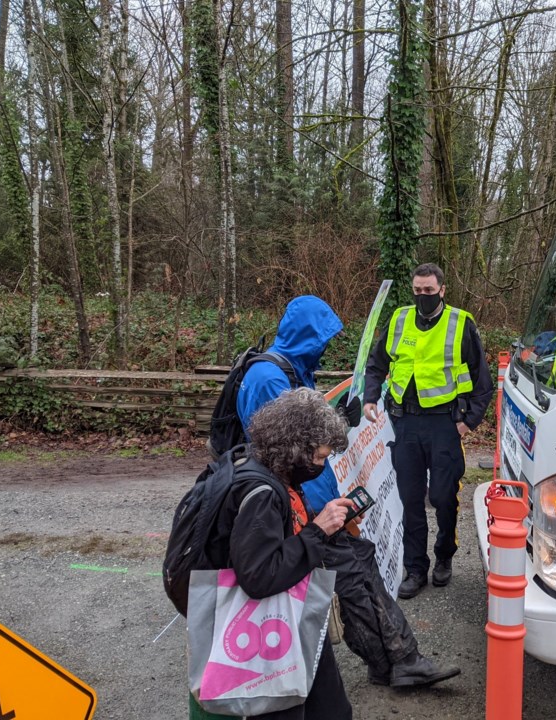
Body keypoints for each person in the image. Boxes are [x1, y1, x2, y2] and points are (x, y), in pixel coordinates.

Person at [237, 294, 460, 687]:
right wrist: (320, 509)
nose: (324, 349)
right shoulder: (270, 377)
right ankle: (396, 661)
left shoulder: (290, 370)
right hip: (302, 511)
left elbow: (303, 442)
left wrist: (339, 417)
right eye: (320, 341)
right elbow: (290, 453)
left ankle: (395, 660)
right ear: (306, 337)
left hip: (315, 503)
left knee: (359, 566)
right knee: (351, 580)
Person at [190, 387, 355, 720]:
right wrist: (317, 531)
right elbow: (259, 577)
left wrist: (324, 523)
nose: (320, 466)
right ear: (295, 449)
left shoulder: (262, 463)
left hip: (286, 616)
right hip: (269, 631)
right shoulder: (263, 492)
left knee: (330, 706)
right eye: (319, 458)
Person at [363, 264, 493, 599]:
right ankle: (416, 568)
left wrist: (468, 422)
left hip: (444, 425)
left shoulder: (460, 323)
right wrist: (369, 397)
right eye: (418, 290)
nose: (422, 296)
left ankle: (444, 556)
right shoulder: (399, 319)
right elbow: (376, 364)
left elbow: (482, 382)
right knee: (410, 499)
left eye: (429, 291)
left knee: (441, 497)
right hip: (404, 424)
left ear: (442, 290)